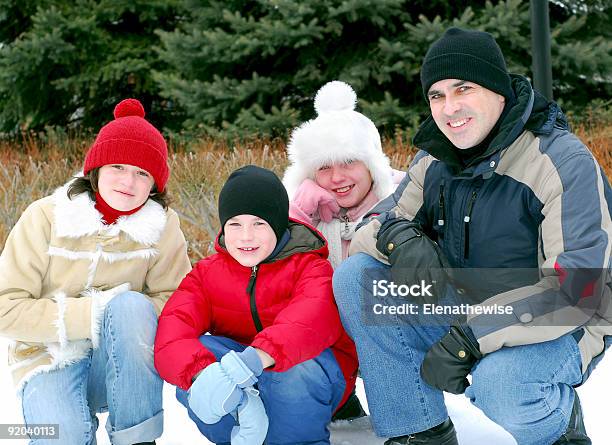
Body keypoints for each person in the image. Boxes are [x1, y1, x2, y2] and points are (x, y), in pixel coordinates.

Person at [333, 27, 611, 445]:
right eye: (437, 95)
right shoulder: (436, 158)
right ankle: (418, 430)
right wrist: (401, 240)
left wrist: (472, 337)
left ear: (498, 91)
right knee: (358, 278)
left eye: (464, 89)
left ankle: (558, 427)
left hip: (558, 323)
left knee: (502, 383)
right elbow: (374, 223)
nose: (450, 108)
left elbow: (579, 290)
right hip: (467, 307)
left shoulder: (560, 161)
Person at [0, 98, 191, 445]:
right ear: (96, 169)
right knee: (62, 436)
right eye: (118, 166)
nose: (128, 182)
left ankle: (136, 438)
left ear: (155, 184)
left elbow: (178, 300)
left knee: (132, 307)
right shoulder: (44, 217)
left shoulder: (162, 227)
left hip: (121, 364)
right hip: (47, 356)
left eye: (142, 172)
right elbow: (5, 306)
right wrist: (91, 314)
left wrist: (118, 314)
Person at [154, 165, 358, 445]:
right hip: (244, 377)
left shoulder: (309, 266)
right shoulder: (207, 274)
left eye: (259, 224)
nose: (246, 236)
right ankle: (242, 434)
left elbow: (310, 320)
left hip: (310, 375)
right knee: (195, 367)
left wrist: (252, 361)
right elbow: (172, 332)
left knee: (294, 371)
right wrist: (207, 375)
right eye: (235, 224)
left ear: (276, 223)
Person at [283, 80, 405, 271]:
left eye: (348, 162)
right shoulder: (311, 216)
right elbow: (277, 277)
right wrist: (298, 212)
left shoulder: (405, 207)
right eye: (323, 167)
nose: (336, 177)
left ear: (372, 167)